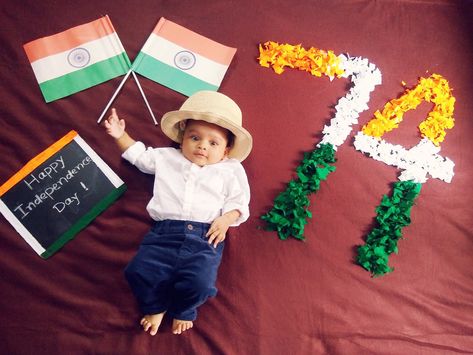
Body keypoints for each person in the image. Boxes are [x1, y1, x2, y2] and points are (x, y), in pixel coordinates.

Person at [104, 91, 252, 336]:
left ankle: (184, 310)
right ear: (182, 138)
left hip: (205, 238)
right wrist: (121, 136)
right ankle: (155, 305)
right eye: (195, 137)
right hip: (163, 234)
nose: (202, 146)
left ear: (226, 151)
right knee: (138, 271)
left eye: (213, 143)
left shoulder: (230, 170)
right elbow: (139, 156)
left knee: (200, 284)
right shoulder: (166, 157)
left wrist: (226, 219)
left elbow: (239, 202)